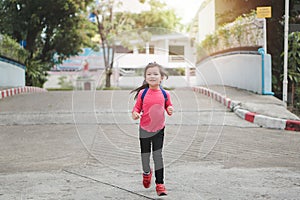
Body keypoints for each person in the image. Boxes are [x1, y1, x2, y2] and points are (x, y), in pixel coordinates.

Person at [131, 62, 174, 196]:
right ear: (145, 77)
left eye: (155, 74)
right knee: (145, 156)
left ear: (162, 77)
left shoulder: (165, 93)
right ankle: (146, 172)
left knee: (157, 156)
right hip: (144, 129)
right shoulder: (143, 93)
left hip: (159, 130)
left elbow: (168, 105)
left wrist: (170, 109)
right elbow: (136, 108)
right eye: (149, 74)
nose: (152, 76)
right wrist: (135, 114)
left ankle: (160, 184)